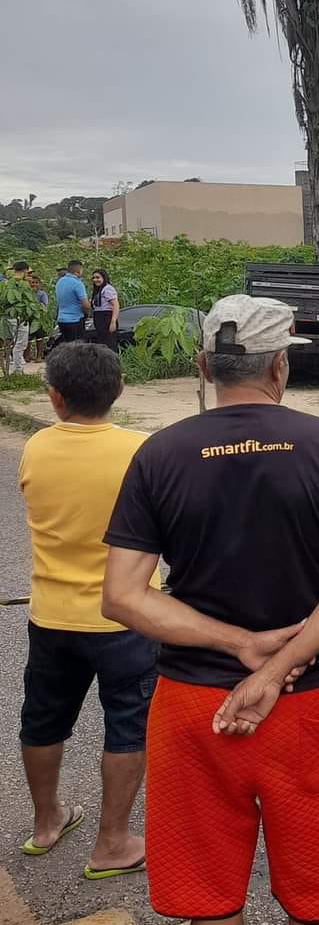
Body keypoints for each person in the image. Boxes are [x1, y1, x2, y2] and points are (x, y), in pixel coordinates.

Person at [101, 295, 319, 925]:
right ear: (281, 366)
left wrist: (236, 651)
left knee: (211, 895)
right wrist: (279, 664)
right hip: (310, 705)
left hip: (197, 709)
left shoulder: (160, 454)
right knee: (314, 887)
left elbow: (123, 595)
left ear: (202, 368)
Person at [18, 343, 156, 878]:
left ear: (53, 397)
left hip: (51, 615)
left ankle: (46, 822)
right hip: (126, 616)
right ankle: (112, 842)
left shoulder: (34, 449)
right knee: (127, 726)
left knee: (43, 718)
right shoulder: (142, 451)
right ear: (120, 389)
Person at [4, 259, 31, 374]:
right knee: (21, 343)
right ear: (24, 270)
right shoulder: (22, 284)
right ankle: (18, 370)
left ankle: (15, 368)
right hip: (18, 316)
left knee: (12, 343)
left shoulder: (6, 283)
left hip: (9, 316)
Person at [55, 260, 91, 344]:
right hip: (75, 320)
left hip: (61, 320)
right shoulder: (77, 283)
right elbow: (86, 305)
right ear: (78, 271)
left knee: (67, 347)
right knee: (78, 348)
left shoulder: (59, 282)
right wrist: (88, 310)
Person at [90, 268, 120, 350]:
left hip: (106, 318)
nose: (96, 280)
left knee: (109, 344)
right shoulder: (98, 291)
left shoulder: (108, 289)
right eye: (94, 278)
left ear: (104, 278)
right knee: (102, 344)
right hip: (99, 318)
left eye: (98, 277)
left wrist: (113, 321)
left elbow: (116, 305)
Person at [28, 273, 49, 360]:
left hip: (39, 318)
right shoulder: (28, 293)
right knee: (28, 338)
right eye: (32, 282)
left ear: (39, 284)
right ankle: (27, 356)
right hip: (29, 318)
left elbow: (45, 305)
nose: (34, 284)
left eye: (36, 282)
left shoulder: (42, 294)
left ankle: (39, 356)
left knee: (39, 338)